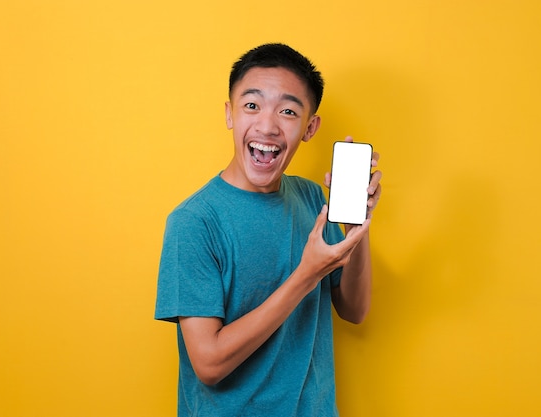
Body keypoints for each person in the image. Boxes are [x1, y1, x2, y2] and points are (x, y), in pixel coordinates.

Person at [155, 43, 382, 417]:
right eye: (252, 105)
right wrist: (306, 275)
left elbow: (354, 310)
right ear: (230, 114)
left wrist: (358, 229)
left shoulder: (311, 199)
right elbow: (209, 365)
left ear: (310, 128)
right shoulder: (194, 222)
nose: (267, 125)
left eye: (288, 111)